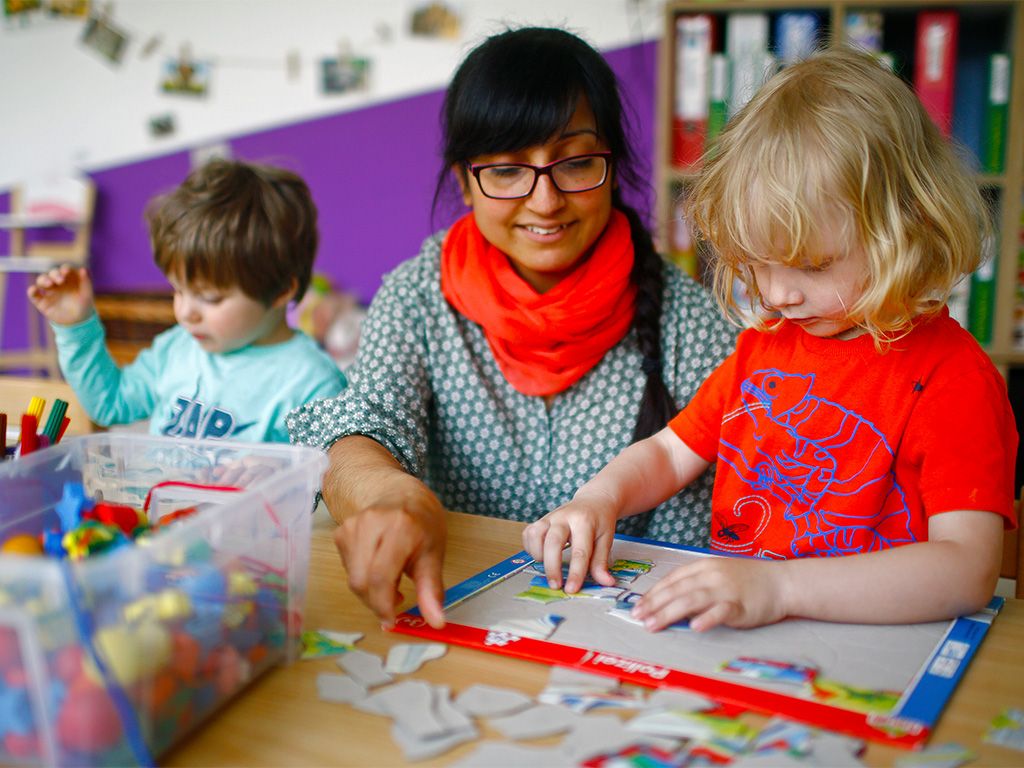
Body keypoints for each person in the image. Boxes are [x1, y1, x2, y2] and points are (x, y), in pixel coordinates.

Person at [524, 46, 1018, 633]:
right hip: (747, 633)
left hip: (880, 645)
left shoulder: (953, 378)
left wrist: (778, 587)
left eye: (810, 266)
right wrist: (599, 497)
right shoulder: (768, 348)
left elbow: (966, 571)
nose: (778, 296)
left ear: (906, 231)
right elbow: (668, 452)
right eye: (758, 264)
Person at [287, 27, 736, 628]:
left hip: (634, 642)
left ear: (614, 165)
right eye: (505, 170)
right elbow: (366, 424)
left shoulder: (690, 322)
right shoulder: (419, 296)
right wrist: (384, 494)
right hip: (457, 615)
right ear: (464, 182)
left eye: (575, 163)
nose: (545, 201)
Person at [27, 159, 346, 443]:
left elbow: (328, 484)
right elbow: (110, 403)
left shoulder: (314, 384)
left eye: (210, 298)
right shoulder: (176, 349)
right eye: (178, 291)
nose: (185, 312)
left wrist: (275, 473)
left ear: (280, 291)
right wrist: (77, 326)